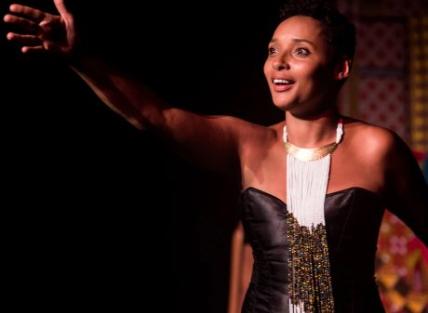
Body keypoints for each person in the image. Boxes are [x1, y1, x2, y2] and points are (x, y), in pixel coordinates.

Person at [4, 0, 427, 312]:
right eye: (271, 50)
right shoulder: (250, 144)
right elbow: (158, 117)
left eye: (300, 51)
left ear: (339, 68)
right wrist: (82, 59)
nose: (278, 63)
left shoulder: (376, 148)